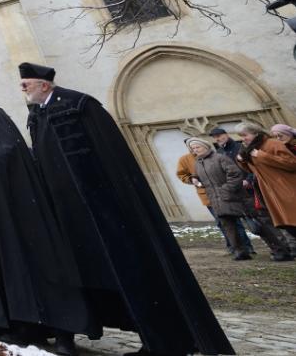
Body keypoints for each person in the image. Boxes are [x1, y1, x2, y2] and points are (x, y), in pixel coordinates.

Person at [21, 63, 232, 356]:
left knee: (136, 272)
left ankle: (163, 340)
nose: (23, 90)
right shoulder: (37, 115)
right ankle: (145, 336)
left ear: (44, 85)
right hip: (74, 215)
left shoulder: (79, 105)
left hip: (106, 210)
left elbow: (110, 155)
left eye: (26, 84)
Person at [0, 84, 89, 355]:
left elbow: (13, 148)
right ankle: (24, 326)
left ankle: (62, 331)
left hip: (14, 206)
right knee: (2, 266)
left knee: (36, 263)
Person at [187, 137, 290, 262]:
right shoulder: (198, 163)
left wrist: (226, 190)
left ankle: (279, 250)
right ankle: (240, 252)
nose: (195, 150)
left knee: (257, 225)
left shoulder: (220, 158)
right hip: (217, 201)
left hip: (237, 197)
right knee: (229, 227)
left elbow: (235, 174)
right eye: (193, 148)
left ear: (206, 146)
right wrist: (195, 179)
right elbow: (203, 178)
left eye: (197, 147)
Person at [236, 122, 296, 239]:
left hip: (287, 187)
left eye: (245, 135)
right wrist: (242, 160)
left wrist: (262, 156)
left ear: (255, 133)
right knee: (287, 224)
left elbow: (292, 163)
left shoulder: (272, 143)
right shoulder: (250, 149)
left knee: (293, 219)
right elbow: (252, 169)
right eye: (241, 136)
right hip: (270, 191)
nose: (243, 139)